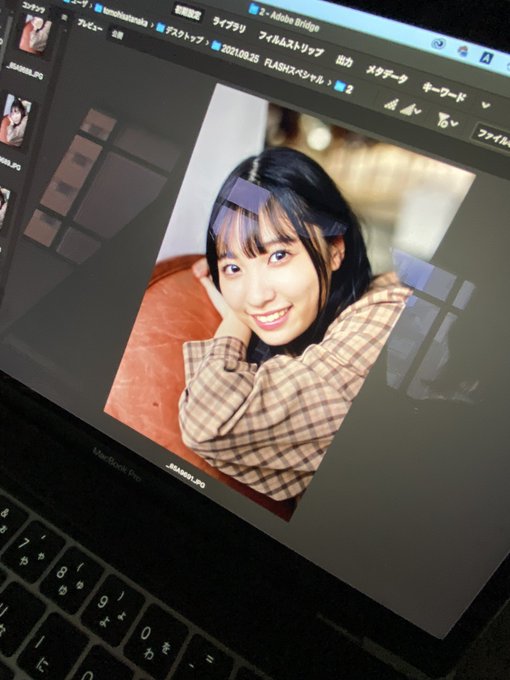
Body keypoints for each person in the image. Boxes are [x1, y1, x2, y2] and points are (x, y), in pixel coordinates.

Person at [178, 147, 411, 501]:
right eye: (233, 267)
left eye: (278, 255)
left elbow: (210, 424)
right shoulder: (307, 333)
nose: (257, 296)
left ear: (335, 249)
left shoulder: (390, 316)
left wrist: (236, 316)